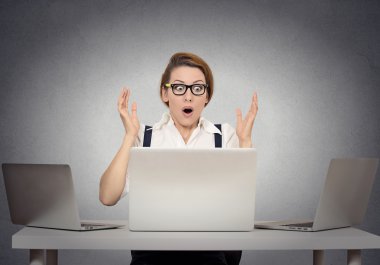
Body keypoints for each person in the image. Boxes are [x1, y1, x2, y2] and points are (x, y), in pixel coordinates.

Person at [99, 52, 258, 265]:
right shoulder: (145, 137)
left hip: (209, 251)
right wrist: (129, 136)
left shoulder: (225, 136)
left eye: (198, 88)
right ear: (166, 94)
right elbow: (108, 197)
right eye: (179, 87)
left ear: (206, 96)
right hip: (151, 252)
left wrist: (245, 143)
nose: (188, 96)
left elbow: (241, 205)